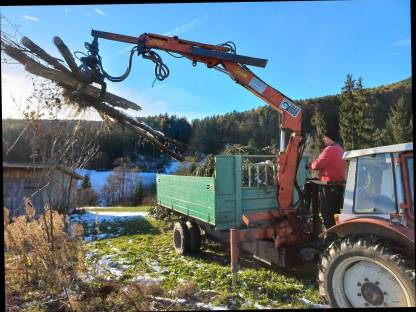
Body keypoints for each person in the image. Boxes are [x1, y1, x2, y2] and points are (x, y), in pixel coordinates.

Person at [307, 131, 346, 229]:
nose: (323, 139)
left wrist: (309, 165)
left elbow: (317, 164)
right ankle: (337, 234)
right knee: (335, 212)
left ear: (329, 138)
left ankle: (329, 236)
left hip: (329, 187)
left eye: (325, 137)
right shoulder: (340, 150)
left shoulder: (329, 150)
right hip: (339, 186)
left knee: (327, 213)